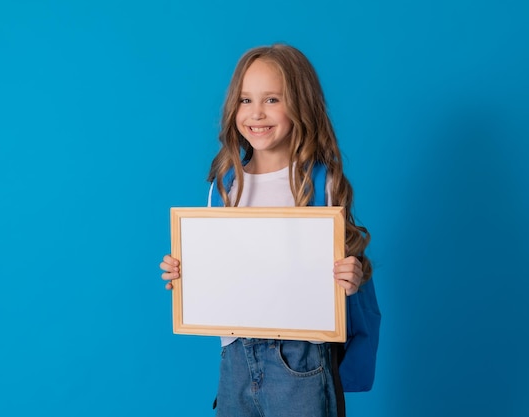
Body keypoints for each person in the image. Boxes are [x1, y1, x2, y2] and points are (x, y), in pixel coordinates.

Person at [160, 43, 374, 417]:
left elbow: (346, 270)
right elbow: (221, 270)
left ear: (300, 105)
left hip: (299, 357)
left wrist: (351, 275)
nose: (256, 113)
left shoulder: (320, 182)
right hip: (235, 355)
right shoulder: (225, 184)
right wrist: (184, 273)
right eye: (245, 100)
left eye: (272, 99)